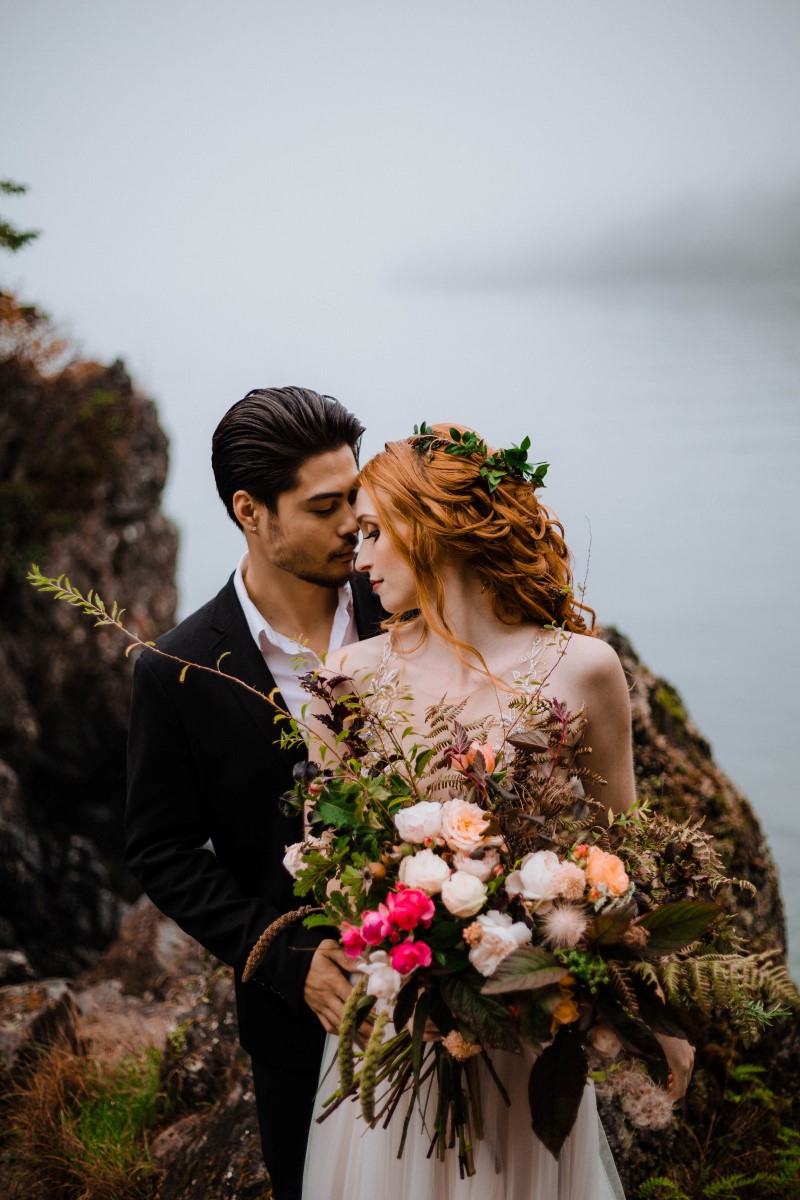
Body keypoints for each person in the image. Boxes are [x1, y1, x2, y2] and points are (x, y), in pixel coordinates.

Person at [301, 423, 694, 1199]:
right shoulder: (346, 679)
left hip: (532, 1032)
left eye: (377, 531)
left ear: (435, 529)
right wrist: (417, 933)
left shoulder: (583, 668)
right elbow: (331, 868)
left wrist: (658, 1018)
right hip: (403, 1033)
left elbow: (622, 865)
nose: (361, 556)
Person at [124, 387, 384, 1200]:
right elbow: (160, 850)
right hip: (297, 1026)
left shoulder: (410, 606)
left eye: (357, 498)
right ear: (251, 512)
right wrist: (281, 958)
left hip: (453, 990)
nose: (353, 524)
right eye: (325, 506)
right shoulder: (176, 669)